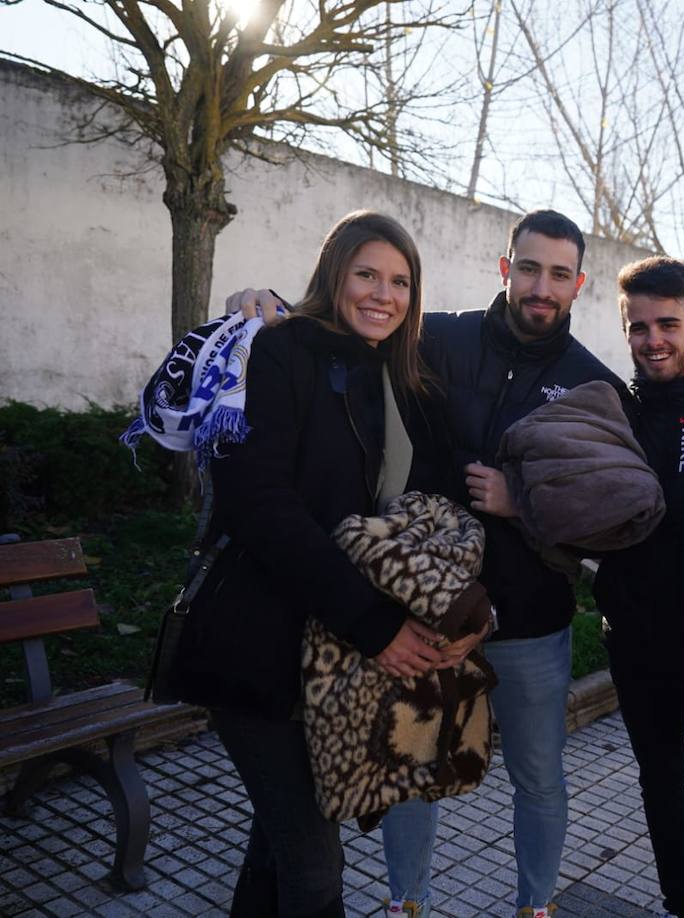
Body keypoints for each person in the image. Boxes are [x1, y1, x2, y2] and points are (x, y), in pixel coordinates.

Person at [226, 210, 624, 918]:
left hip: (530, 624)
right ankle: (407, 903)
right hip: (422, 613)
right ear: (506, 268)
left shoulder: (593, 383)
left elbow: (608, 520)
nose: (541, 286)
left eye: (559, 274)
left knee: (537, 778)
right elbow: (346, 326)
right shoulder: (435, 336)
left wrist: (523, 502)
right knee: (408, 764)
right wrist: (260, 306)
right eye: (528, 268)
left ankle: (536, 907)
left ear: (578, 284)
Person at [166, 211, 482, 916]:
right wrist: (375, 625)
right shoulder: (281, 354)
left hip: (328, 658)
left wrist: (469, 614)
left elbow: (431, 515)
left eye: (400, 281)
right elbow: (261, 506)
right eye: (366, 274)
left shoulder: (402, 382)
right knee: (314, 872)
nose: (383, 294)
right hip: (257, 649)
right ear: (333, 274)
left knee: (278, 848)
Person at [592, 257, 684, 918]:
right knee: (660, 787)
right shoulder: (619, 412)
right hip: (634, 645)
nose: (653, 339)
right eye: (639, 327)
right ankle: (682, 907)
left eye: (667, 324)